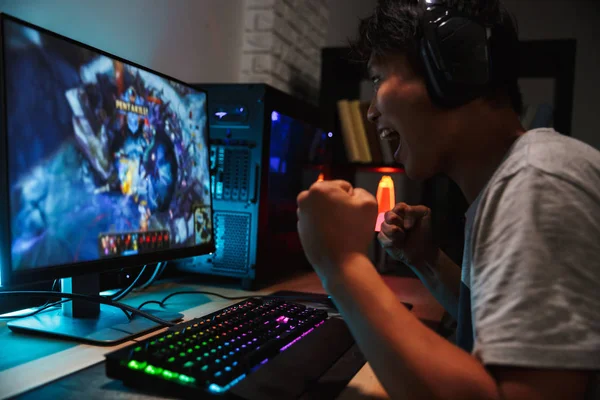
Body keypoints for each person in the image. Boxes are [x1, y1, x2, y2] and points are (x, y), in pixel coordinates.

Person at [296, 0, 600, 398]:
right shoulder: (514, 178)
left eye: (378, 79)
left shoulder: (535, 182)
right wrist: (426, 261)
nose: (371, 112)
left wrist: (342, 264)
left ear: (452, 70)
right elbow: (498, 331)